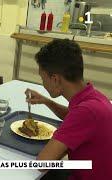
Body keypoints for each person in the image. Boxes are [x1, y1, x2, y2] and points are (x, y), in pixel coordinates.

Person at [26, 39, 112, 179]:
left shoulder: (85, 112)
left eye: (42, 78)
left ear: (55, 79)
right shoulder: (94, 98)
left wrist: (62, 144)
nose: (43, 83)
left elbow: (43, 163)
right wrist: (46, 101)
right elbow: (71, 116)